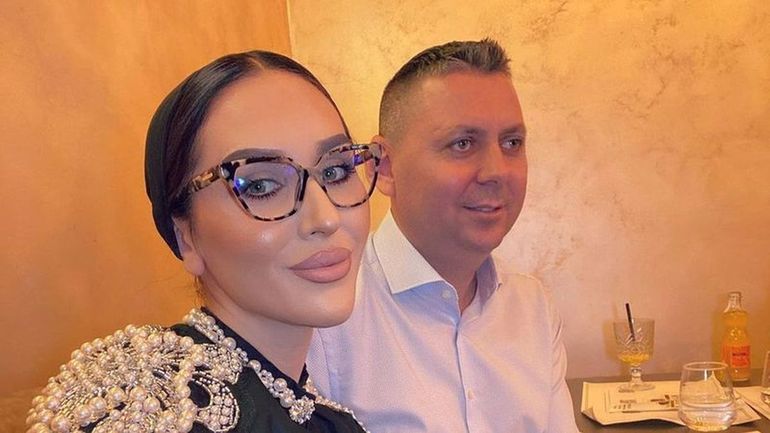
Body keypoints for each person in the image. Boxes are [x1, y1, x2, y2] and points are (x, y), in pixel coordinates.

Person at [25, 50, 379, 433]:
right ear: (185, 237)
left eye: (336, 170)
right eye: (261, 185)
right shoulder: (146, 402)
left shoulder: (325, 416)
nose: (326, 218)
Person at [307, 39, 579, 432]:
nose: (496, 172)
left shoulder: (532, 306)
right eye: (462, 144)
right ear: (384, 167)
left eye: (512, 143)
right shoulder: (325, 317)